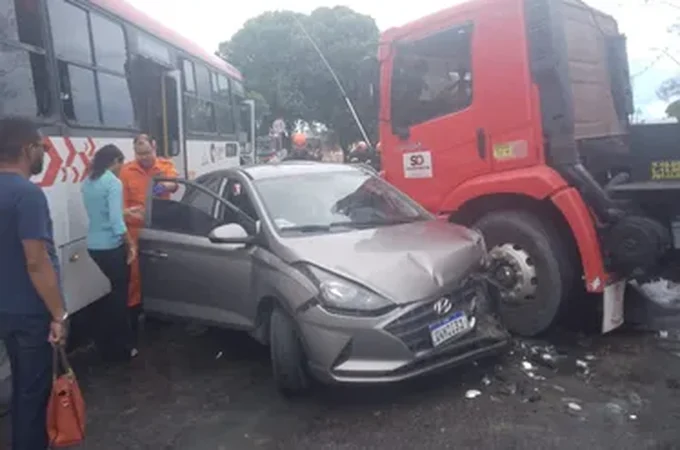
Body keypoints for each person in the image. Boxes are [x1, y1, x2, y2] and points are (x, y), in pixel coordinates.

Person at [0, 117, 66, 450]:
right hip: (28, 314)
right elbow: (36, 261)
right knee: (30, 394)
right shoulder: (27, 195)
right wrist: (58, 314)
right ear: (28, 149)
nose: (44, 152)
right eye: (42, 146)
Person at [119, 134, 178, 347]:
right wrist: (130, 214)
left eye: (147, 152)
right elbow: (121, 207)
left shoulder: (164, 166)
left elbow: (173, 184)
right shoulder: (126, 171)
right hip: (135, 231)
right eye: (139, 153)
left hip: (159, 229)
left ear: (155, 147)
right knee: (134, 277)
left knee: (161, 271)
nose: (143, 157)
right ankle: (134, 321)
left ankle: (160, 316)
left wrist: (163, 185)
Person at [81, 144, 137, 361]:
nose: (121, 168)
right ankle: (121, 348)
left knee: (104, 297)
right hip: (112, 247)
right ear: (115, 161)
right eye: (121, 164)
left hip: (93, 246)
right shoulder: (113, 183)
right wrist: (130, 244)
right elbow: (115, 221)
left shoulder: (88, 181)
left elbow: (101, 213)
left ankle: (102, 344)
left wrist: (125, 211)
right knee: (118, 299)